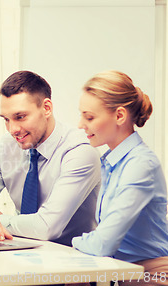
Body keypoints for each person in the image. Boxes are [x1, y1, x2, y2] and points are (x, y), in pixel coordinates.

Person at [0, 70, 101, 246]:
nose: (13, 129)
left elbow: (46, 227)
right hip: (22, 250)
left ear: (46, 108)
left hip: (72, 258)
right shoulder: (8, 145)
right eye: (6, 119)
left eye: (20, 117)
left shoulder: (80, 153)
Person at [72, 70, 168, 285]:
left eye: (89, 117)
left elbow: (102, 244)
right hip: (123, 271)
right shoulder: (112, 162)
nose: (80, 124)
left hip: (152, 275)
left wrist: (72, 241)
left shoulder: (140, 165)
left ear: (119, 116)